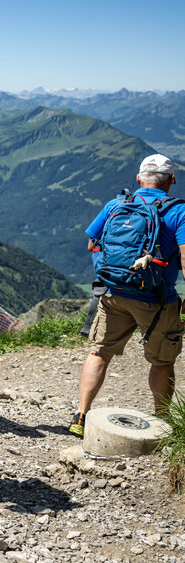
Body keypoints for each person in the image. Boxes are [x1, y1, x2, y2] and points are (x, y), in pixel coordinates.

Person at [70, 154, 185, 436]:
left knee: (99, 352)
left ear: (138, 179)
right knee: (162, 360)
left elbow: (91, 244)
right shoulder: (179, 211)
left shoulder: (117, 204)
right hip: (156, 300)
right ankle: (162, 424)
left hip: (113, 294)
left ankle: (81, 416)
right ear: (172, 180)